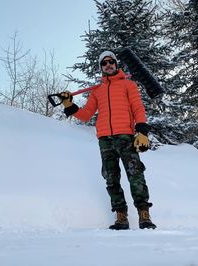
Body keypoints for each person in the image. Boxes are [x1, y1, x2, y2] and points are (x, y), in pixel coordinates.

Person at [61, 51, 156, 230]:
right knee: (111, 178)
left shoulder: (128, 85)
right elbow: (86, 114)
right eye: (104, 63)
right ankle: (121, 216)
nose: (108, 65)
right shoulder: (97, 91)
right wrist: (68, 104)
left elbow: (138, 108)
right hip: (105, 139)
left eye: (111, 61)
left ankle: (144, 214)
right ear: (101, 68)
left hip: (125, 136)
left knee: (135, 174)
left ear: (116, 64)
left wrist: (142, 131)